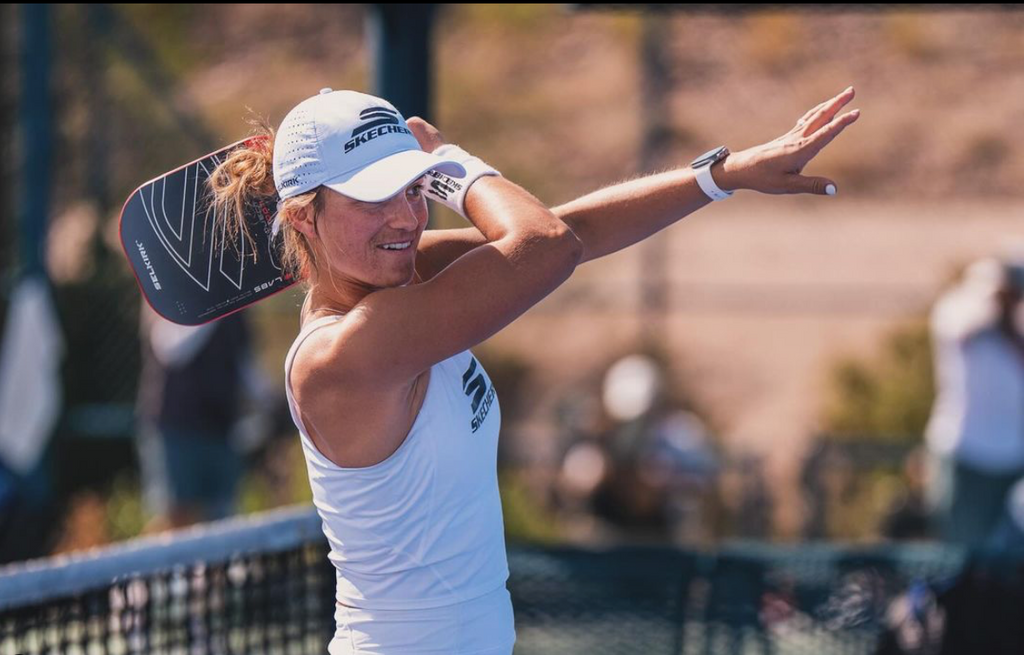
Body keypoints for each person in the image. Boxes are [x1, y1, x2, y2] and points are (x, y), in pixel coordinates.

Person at [208, 86, 858, 654]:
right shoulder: (345, 353)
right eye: (375, 199)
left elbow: (569, 230)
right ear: (302, 217)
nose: (405, 217)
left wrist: (726, 174)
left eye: (411, 189)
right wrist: (450, 167)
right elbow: (545, 244)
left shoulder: (401, 277)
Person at [924, 254, 1024, 547]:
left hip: (1016, 455)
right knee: (964, 550)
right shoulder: (959, 308)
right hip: (968, 454)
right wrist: (999, 305)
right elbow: (963, 333)